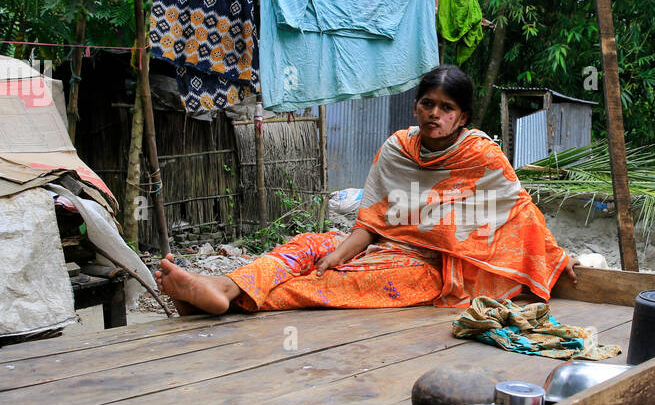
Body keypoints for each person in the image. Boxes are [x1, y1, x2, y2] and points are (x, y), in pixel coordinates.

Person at [155, 65, 578, 315]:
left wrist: (556, 256)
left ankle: (229, 299)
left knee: (333, 284)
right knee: (307, 246)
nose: (435, 114)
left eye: (446, 108)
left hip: (431, 267)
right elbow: (373, 221)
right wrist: (337, 252)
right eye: (428, 104)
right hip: (381, 247)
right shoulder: (396, 148)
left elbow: (520, 210)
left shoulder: (480, 156)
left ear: (462, 116)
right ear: (416, 106)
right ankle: (224, 288)